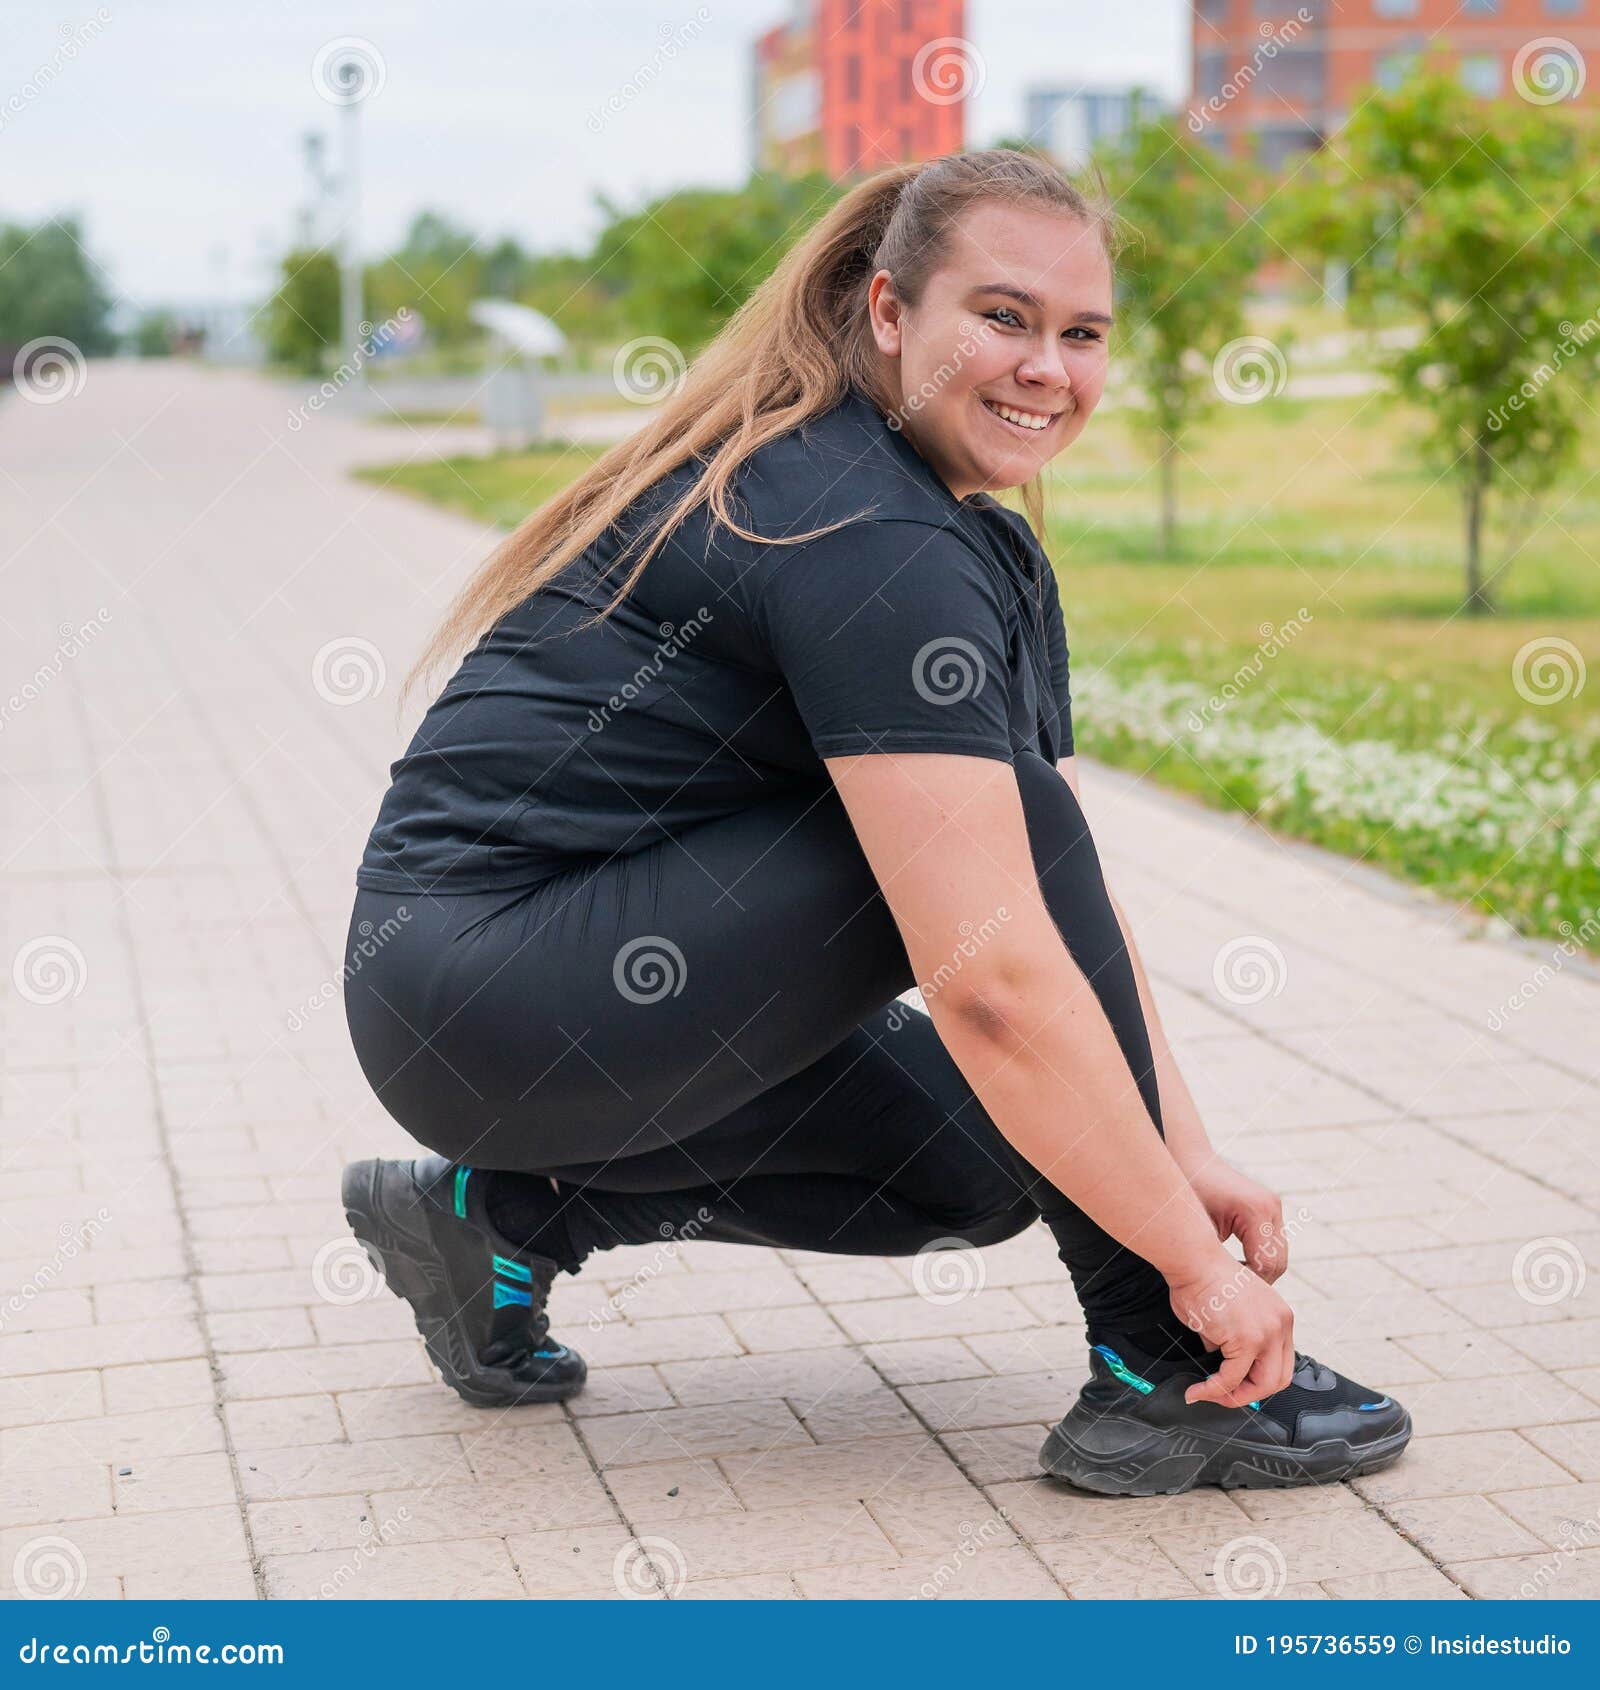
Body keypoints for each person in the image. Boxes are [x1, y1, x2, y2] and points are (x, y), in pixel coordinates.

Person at [340, 149, 1410, 1496]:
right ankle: (1166, 1374)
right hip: (487, 978)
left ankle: (493, 1217)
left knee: (987, 1155)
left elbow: (1063, 889)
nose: (1048, 367)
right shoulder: (861, 528)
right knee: (1016, 979)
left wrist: (1176, 1160)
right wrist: (1193, 1276)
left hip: (552, 996)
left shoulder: (977, 541)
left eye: (1083, 335)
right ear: (890, 312)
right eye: (1003, 317)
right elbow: (1004, 977)